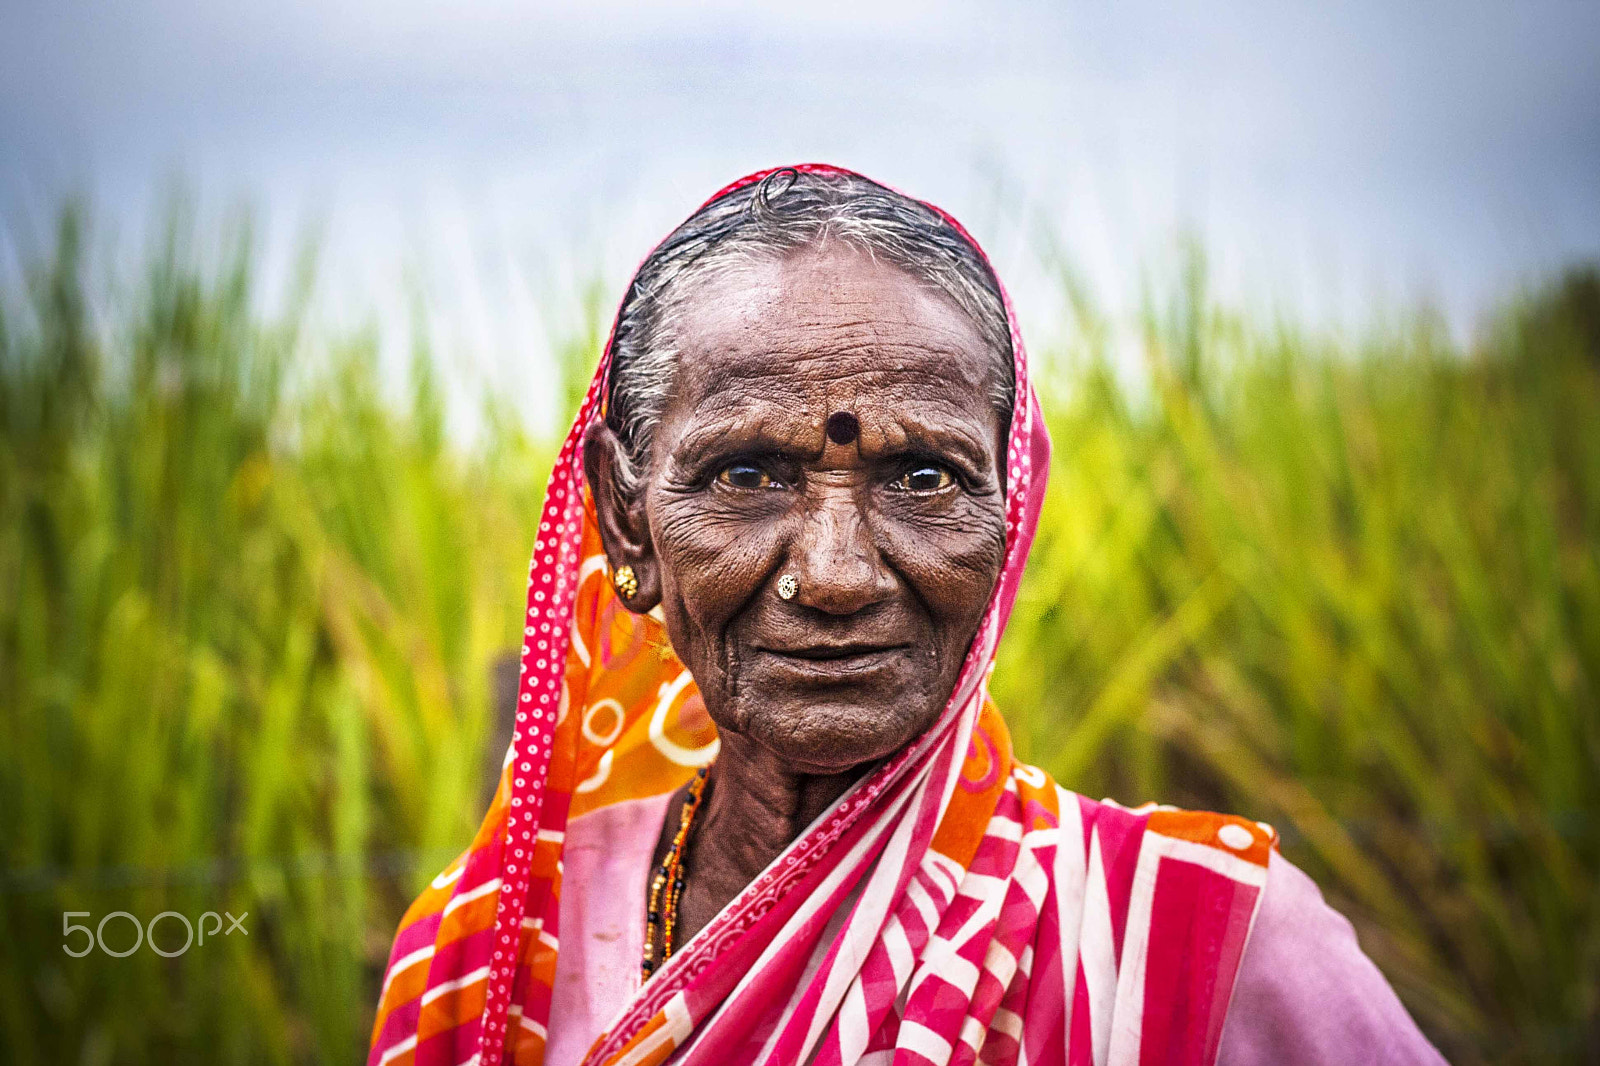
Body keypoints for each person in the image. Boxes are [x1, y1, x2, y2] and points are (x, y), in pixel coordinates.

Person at [369, 165, 1447, 1066]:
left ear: (1009, 514)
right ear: (626, 524)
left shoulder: (1197, 941)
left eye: (925, 477)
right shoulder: (495, 945)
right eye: (745, 472)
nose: (836, 573)